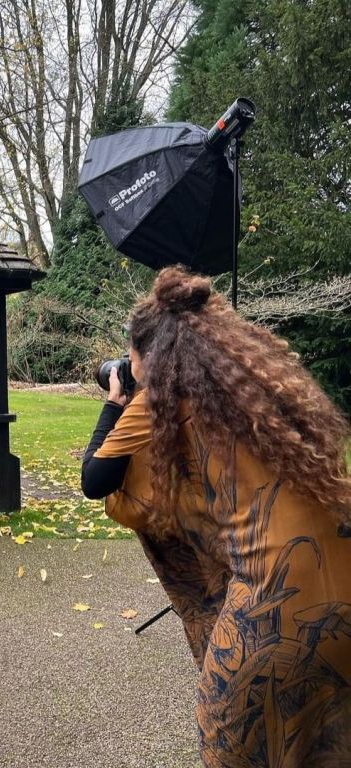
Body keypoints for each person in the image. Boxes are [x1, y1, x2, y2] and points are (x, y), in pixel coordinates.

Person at [81, 266, 351, 767]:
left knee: (229, 745)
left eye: (132, 356)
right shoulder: (258, 392)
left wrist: (115, 403)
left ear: (149, 356)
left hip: (278, 606)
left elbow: (94, 480)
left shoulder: (159, 399)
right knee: (326, 743)